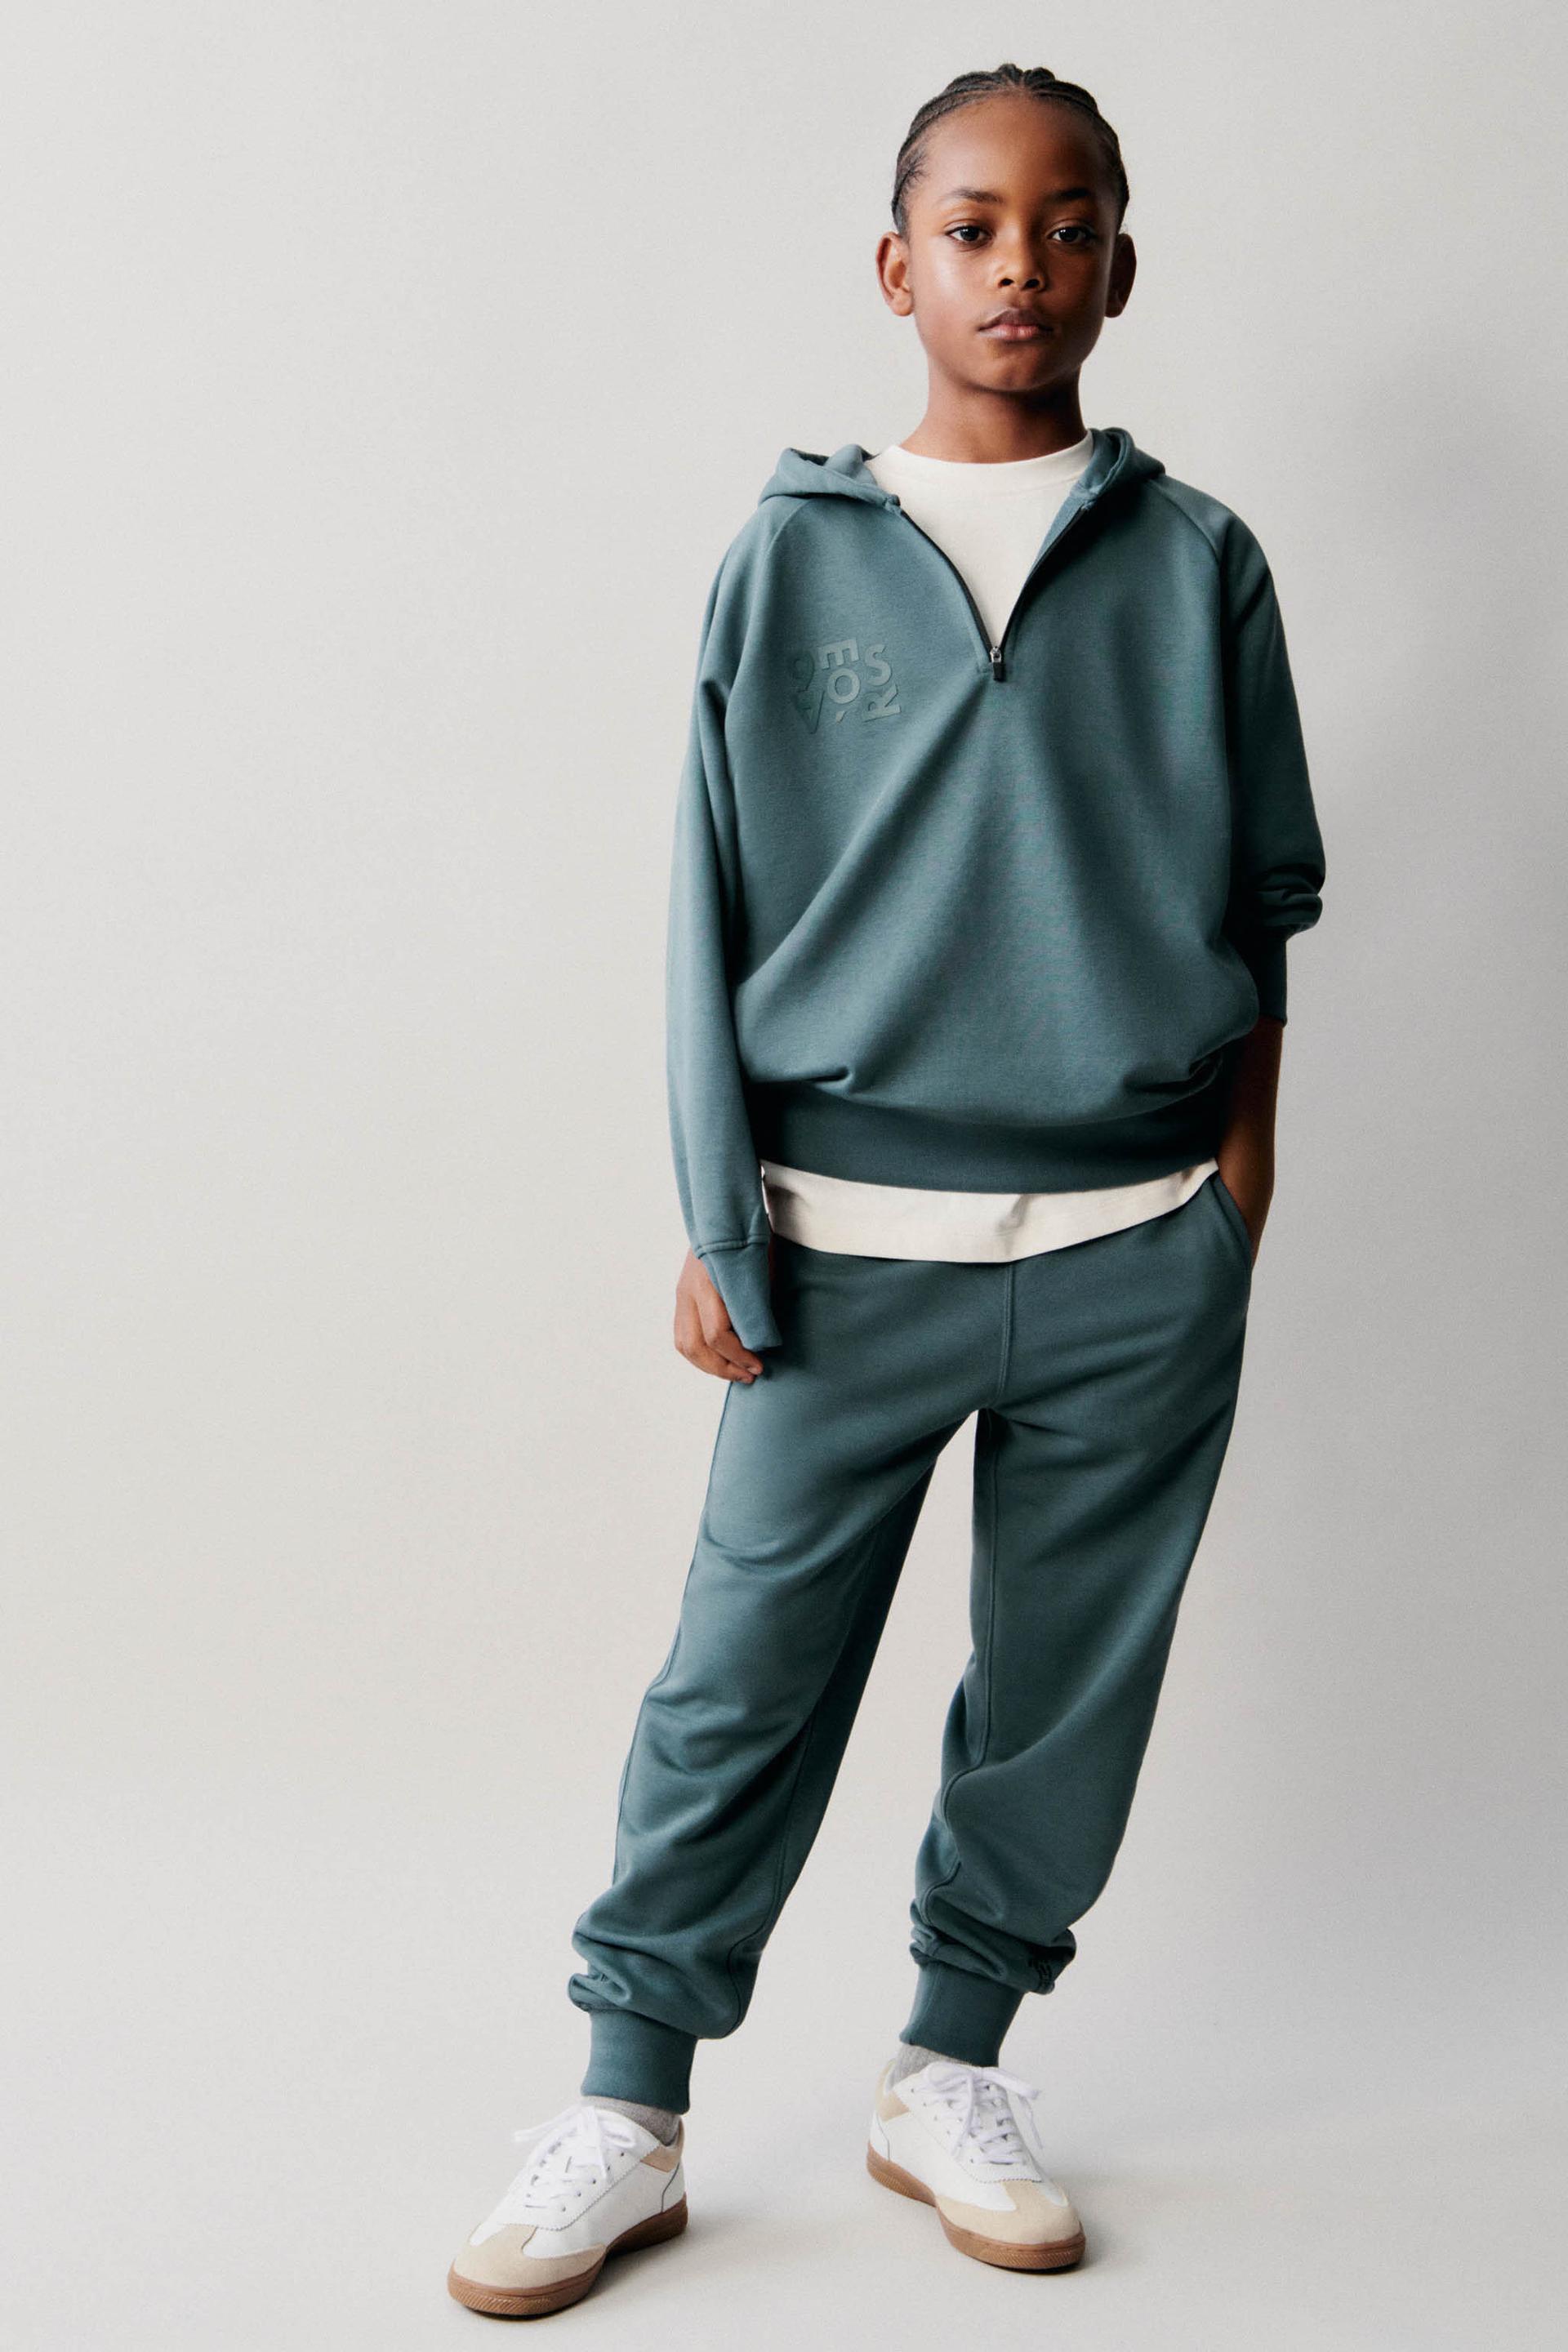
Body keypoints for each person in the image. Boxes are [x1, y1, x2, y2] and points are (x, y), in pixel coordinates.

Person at [448, 60, 1326, 2319]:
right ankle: (629, 2107)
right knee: (738, 1686)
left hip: (1138, 1250)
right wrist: (721, 1217)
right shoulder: (796, 553)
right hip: (843, 1248)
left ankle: (953, 2066)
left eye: (1068, 224)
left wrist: (1233, 1198)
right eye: (973, 225)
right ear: (897, 265)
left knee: (1065, 1691)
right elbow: (709, 900)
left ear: (1120, 265)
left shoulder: (1202, 562)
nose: (1021, 264)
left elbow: (1265, 902)